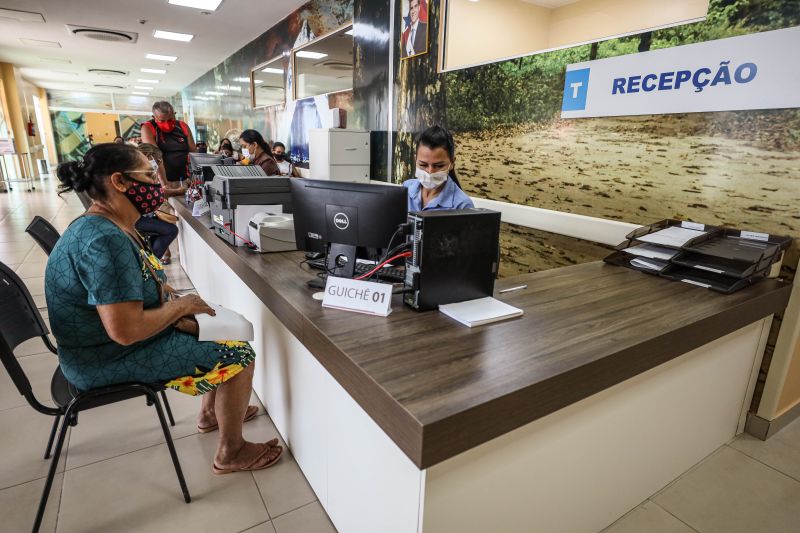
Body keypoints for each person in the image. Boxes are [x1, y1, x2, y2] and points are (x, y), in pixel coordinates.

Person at [47, 143, 282, 473]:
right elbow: (126, 330)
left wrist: (170, 301)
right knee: (239, 354)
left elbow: (128, 286)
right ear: (119, 182)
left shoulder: (102, 225)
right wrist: (179, 307)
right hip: (105, 358)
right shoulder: (105, 241)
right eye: (148, 176)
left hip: (100, 348)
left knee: (216, 331)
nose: (157, 183)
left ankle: (211, 414)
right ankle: (231, 451)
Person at [404, 125, 474, 212]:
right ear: (415, 160)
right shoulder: (406, 188)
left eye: (439, 166)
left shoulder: (462, 205)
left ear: (452, 163)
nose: (430, 172)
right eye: (423, 165)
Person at [135, 143, 185, 264]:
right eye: (157, 160)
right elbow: (154, 193)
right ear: (148, 156)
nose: (157, 163)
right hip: (133, 220)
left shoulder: (135, 170)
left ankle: (148, 261)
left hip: (135, 216)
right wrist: (179, 191)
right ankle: (149, 264)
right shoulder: (137, 172)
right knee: (171, 230)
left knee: (159, 227)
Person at [141, 101, 196, 186]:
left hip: (186, 178)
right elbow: (154, 157)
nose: (167, 124)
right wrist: (164, 184)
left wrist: (196, 178)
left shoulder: (182, 126)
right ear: (154, 117)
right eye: (162, 121)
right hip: (163, 180)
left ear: (174, 114)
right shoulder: (148, 127)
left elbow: (194, 153)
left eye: (170, 120)